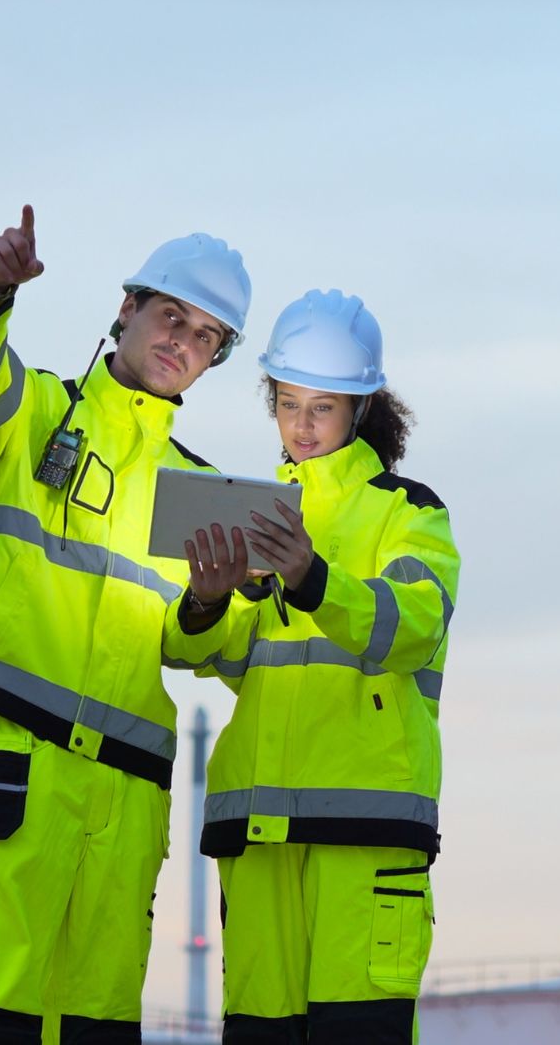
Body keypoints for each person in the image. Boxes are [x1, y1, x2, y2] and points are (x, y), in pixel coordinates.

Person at [0, 205, 251, 1043]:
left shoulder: (201, 493)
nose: (183, 342)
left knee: (98, 1030)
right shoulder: (34, 413)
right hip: (16, 775)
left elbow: (193, 644)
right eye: (171, 316)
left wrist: (210, 601)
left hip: (124, 799)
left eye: (206, 336)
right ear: (127, 308)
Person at [164, 290, 459, 1044]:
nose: (300, 425)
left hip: (365, 834)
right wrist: (206, 600)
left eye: (321, 407)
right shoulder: (256, 512)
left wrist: (313, 579)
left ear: (361, 409)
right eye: (287, 404)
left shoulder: (409, 512)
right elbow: (217, 653)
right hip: (257, 832)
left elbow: (413, 627)